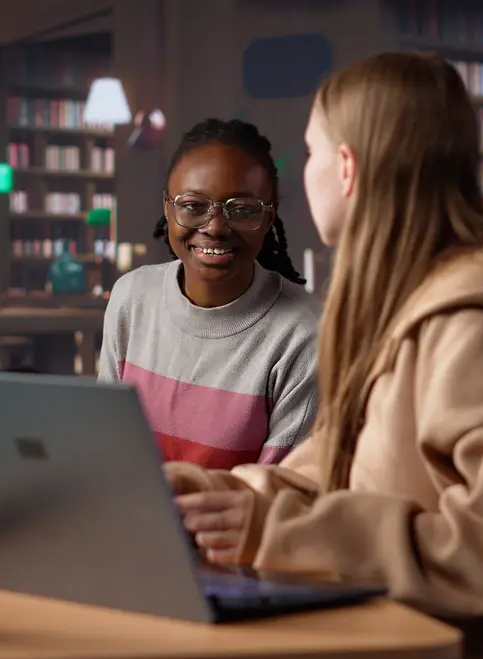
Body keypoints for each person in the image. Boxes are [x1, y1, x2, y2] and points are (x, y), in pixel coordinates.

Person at [163, 53, 483, 659]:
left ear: (346, 168)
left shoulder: (477, 327)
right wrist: (194, 495)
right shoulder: (408, 307)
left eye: (312, 152)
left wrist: (277, 530)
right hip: (397, 635)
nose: (307, 173)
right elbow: (327, 470)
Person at [98, 119, 320, 469]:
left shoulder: (306, 335)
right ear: (168, 208)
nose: (215, 227)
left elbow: (275, 498)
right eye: (193, 206)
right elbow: (105, 447)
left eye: (242, 209)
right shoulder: (131, 298)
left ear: (268, 216)